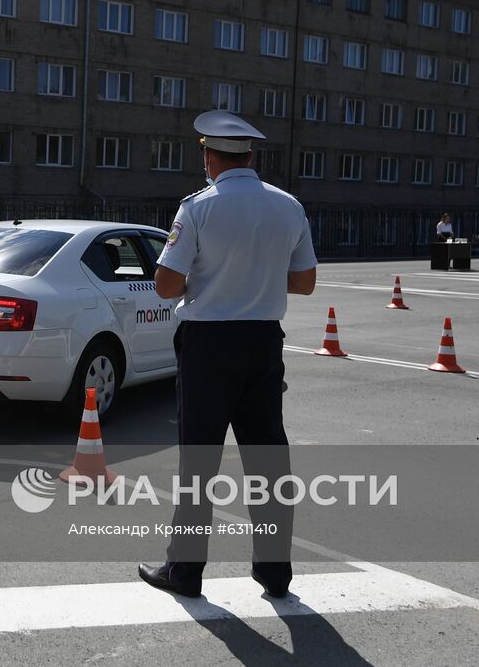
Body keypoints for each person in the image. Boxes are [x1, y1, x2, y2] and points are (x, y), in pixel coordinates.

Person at [138, 110, 317, 601]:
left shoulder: (198, 207)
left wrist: (215, 278)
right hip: (263, 341)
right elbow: (304, 282)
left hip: (209, 344)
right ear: (251, 156)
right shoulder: (288, 206)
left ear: (209, 157)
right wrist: (254, 277)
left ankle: (186, 570)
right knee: (268, 459)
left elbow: (164, 285)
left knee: (199, 460)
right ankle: (275, 573)